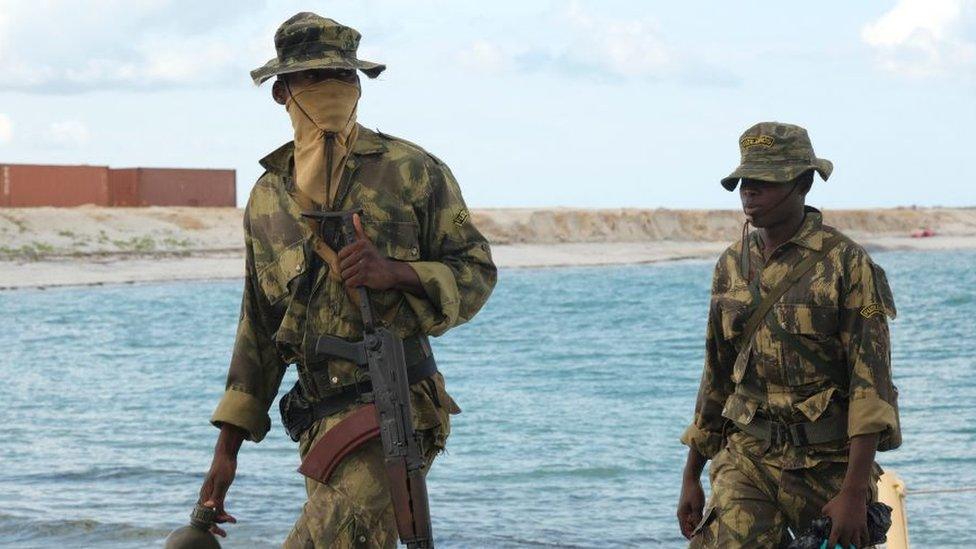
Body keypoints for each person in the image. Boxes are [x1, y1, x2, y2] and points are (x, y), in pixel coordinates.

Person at [196, 12, 497, 547]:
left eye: (342, 78)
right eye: (312, 79)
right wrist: (227, 450)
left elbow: (475, 272)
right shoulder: (270, 198)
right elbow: (259, 329)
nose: (330, 91)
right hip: (318, 421)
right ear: (281, 93)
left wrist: (395, 272)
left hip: (396, 403)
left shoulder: (412, 171)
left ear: (359, 87)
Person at [676, 122, 901, 548]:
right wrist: (691, 475)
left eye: (765, 181)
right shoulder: (731, 266)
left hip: (829, 463)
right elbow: (717, 376)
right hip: (748, 455)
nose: (749, 191)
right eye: (745, 180)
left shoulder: (847, 264)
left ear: (802, 183)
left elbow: (870, 387)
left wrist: (853, 493)